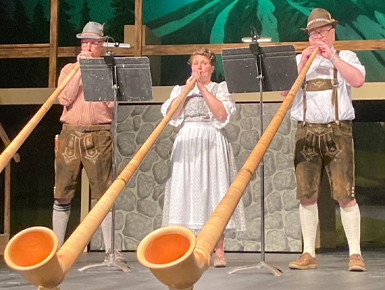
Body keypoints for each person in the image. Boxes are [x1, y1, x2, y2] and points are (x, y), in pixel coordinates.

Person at [283, 8, 366, 271]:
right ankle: (308, 253)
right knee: (306, 195)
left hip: (338, 132)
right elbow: (285, 92)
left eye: (322, 32)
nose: (317, 37)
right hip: (306, 132)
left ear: (332, 32)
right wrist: (301, 62)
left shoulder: (346, 56)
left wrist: (332, 58)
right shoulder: (299, 60)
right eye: (312, 33)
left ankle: (355, 254)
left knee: (344, 194)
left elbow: (359, 80)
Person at [161, 47, 246, 268]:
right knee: (185, 191)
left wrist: (202, 88)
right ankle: (186, 249)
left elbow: (221, 114)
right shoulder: (180, 89)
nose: (199, 67)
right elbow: (172, 114)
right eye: (196, 63)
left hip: (211, 140)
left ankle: (218, 251)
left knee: (214, 192)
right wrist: (188, 89)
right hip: (187, 141)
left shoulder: (220, 88)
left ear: (211, 67)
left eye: (204, 63)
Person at [52, 21, 125, 263]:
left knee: (103, 193)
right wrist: (80, 70)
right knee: (62, 191)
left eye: (93, 43)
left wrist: (95, 73)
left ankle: (109, 251)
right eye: (85, 42)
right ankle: (57, 250)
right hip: (70, 133)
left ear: (101, 45)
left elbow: (111, 104)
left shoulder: (109, 70)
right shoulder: (68, 69)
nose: (88, 46)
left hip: (99, 133)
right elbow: (64, 97)